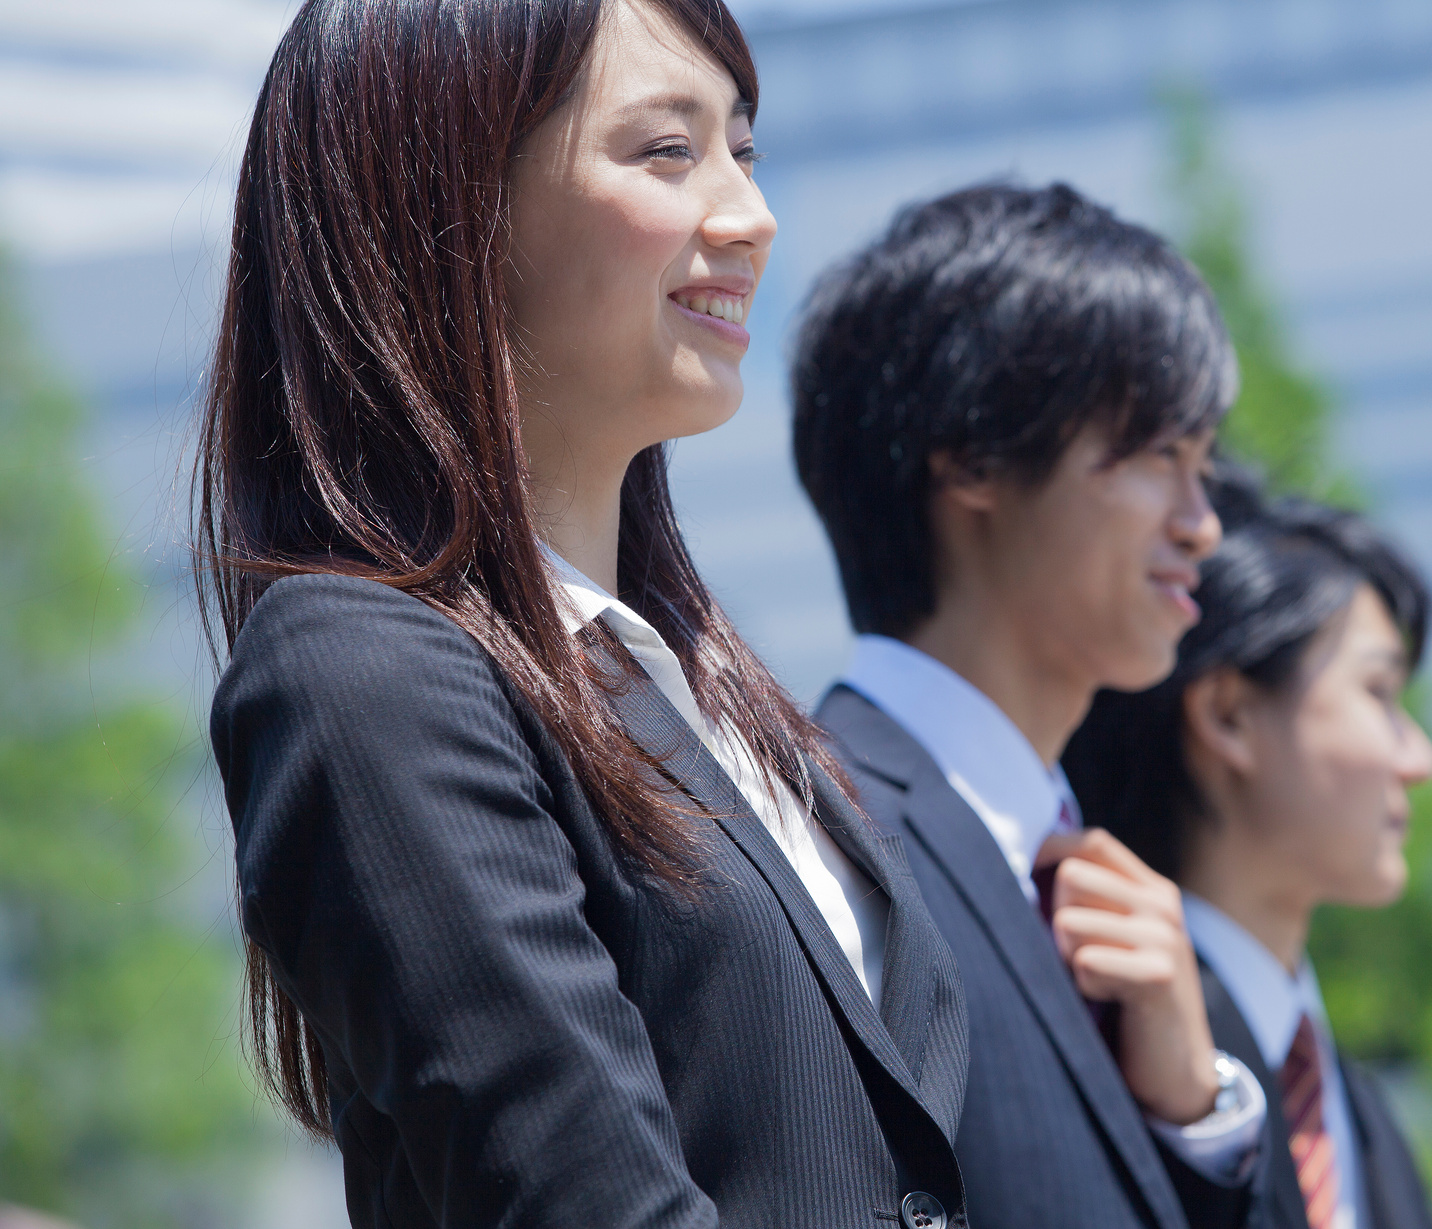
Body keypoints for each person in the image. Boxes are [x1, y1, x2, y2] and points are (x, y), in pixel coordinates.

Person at [198, 2, 968, 1225]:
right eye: (667, 151)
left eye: (743, 150)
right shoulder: (365, 668)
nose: (750, 215)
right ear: (443, 200)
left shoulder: (686, 671)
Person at [794, 183, 1266, 1229]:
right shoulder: (809, 837)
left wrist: (1196, 1113)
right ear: (971, 454)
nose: (1203, 525)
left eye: (1205, 464)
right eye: (1157, 456)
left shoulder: (1125, 896)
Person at [1064, 490, 1432, 1229]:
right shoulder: (1105, 1035)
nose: (1419, 758)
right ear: (1228, 714)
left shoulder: (1359, 1107)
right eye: (1380, 692)